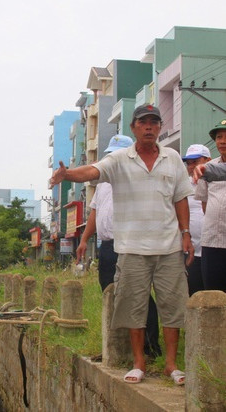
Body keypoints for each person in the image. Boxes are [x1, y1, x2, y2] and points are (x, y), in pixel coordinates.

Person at [51, 104, 193, 385]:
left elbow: (181, 198)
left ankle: (171, 364)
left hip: (168, 247)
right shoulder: (119, 159)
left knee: (172, 308)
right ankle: (138, 362)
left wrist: (185, 232)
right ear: (134, 128)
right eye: (144, 123)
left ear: (160, 127)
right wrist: (67, 175)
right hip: (131, 248)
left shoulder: (173, 158)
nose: (149, 127)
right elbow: (92, 171)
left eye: (154, 122)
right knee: (133, 306)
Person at [76, 134, 162, 358]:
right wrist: (84, 240)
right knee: (110, 292)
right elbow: (94, 212)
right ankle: (116, 346)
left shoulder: (139, 177)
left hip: (130, 242)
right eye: (110, 154)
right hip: (107, 245)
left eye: (117, 154)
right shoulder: (103, 182)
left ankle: (151, 346)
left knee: (139, 294)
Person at [194, 119, 226, 292]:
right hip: (212, 241)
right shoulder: (207, 168)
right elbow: (204, 203)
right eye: (219, 137)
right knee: (213, 294)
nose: (223, 141)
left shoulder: (206, 170)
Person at [181, 144, 211, 295]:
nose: (192, 166)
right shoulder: (182, 186)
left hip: (214, 251)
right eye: (189, 162)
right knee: (194, 296)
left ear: (208, 161)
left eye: (196, 161)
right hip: (192, 253)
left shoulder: (218, 182)